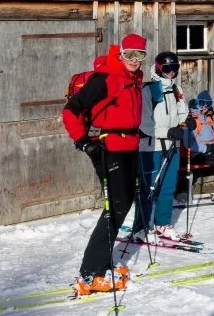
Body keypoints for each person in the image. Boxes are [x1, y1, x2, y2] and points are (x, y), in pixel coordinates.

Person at [61, 33, 146, 295]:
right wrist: (83, 141)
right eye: (129, 54)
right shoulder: (106, 78)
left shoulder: (134, 78)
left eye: (139, 55)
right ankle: (91, 273)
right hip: (110, 149)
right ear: (119, 53)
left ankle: (103, 264)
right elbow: (71, 110)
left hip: (130, 146)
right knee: (114, 208)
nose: (134, 60)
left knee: (124, 204)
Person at [135, 51, 188, 242]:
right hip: (152, 147)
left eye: (175, 68)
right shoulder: (149, 90)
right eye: (167, 68)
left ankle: (162, 224)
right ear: (158, 68)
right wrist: (168, 132)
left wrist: (186, 121)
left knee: (168, 187)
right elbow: (144, 122)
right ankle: (140, 228)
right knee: (149, 188)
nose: (171, 72)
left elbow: (182, 111)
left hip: (172, 145)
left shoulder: (176, 89)